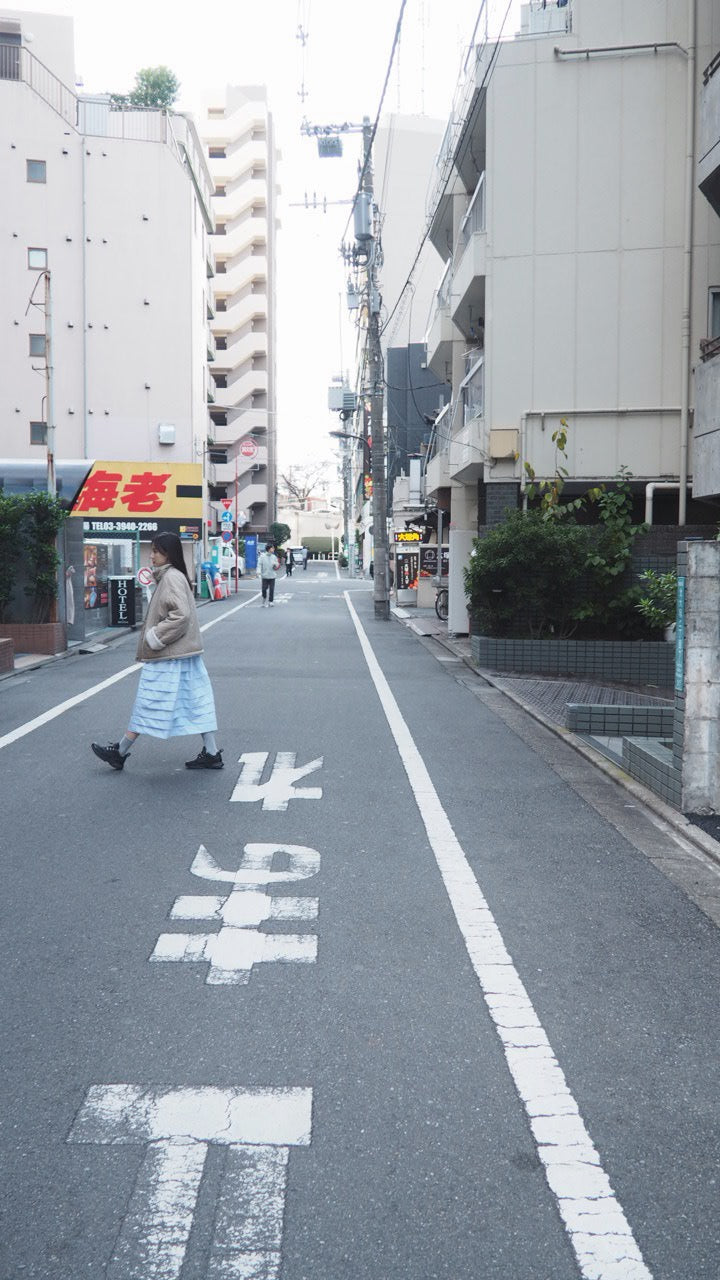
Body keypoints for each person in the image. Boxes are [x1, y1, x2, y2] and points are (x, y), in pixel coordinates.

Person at [91, 531, 223, 772]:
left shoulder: (171, 577)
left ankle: (119, 752)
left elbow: (180, 616)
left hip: (169, 655)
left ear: (168, 553)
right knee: (195, 702)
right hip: (183, 653)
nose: (151, 556)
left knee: (149, 702)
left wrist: (155, 637)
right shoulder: (174, 575)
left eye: (155, 551)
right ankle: (212, 752)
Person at [258, 541, 279, 606]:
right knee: (264, 589)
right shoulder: (262, 556)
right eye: (272, 548)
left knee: (272, 589)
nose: (274, 549)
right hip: (265, 576)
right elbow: (259, 564)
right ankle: (264, 597)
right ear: (269, 549)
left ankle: (271, 601)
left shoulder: (274, 557)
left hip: (272, 576)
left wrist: (276, 566)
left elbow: (277, 565)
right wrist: (258, 572)